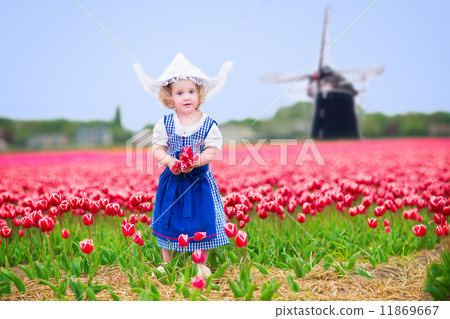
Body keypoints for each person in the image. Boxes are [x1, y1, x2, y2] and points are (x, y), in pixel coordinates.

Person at [133, 53, 232, 277]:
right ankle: (167, 262)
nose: (186, 97)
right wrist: (170, 162)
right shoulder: (165, 123)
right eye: (179, 93)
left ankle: (201, 263)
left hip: (198, 181)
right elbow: (157, 149)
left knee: (202, 218)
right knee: (167, 218)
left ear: (199, 93)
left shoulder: (207, 122)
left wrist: (197, 160)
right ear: (169, 97)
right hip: (173, 181)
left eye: (191, 91)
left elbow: (212, 150)